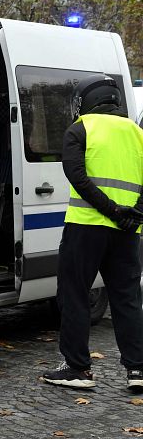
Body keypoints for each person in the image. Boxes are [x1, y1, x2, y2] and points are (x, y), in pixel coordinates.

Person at [42, 74, 143, 390]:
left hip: (86, 228)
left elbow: (77, 176)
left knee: (74, 295)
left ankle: (77, 368)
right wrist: (134, 214)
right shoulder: (136, 132)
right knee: (127, 299)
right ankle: (137, 370)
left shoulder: (80, 128)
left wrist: (110, 209)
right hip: (127, 232)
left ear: (85, 101)